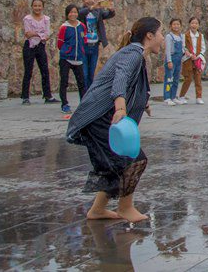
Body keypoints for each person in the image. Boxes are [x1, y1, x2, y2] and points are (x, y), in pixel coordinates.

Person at [65, 17, 162, 222]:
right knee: (132, 160)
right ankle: (125, 207)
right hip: (101, 117)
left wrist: (142, 103)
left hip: (103, 117)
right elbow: (121, 76)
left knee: (116, 163)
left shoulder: (136, 54)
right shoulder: (133, 53)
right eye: (160, 34)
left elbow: (133, 84)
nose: (162, 39)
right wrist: (120, 107)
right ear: (150, 35)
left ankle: (98, 210)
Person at [21, 0, 56, 105]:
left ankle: (47, 95)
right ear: (32, 7)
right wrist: (40, 34)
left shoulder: (46, 19)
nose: (37, 8)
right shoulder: (27, 18)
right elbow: (28, 34)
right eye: (35, 6)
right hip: (30, 46)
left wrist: (37, 34)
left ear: (43, 7)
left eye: (39, 6)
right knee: (28, 71)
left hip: (40, 46)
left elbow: (47, 34)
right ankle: (25, 96)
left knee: (45, 70)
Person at [78, 0, 116, 91]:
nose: (89, 0)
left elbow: (107, 15)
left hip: (94, 44)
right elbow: (81, 14)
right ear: (83, 1)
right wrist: (91, 8)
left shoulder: (98, 10)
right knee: (84, 73)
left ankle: (90, 94)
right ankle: (84, 94)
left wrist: (111, 10)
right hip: (83, 45)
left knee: (91, 73)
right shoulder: (80, 11)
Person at [57, 4, 88, 114]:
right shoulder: (64, 27)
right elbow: (60, 43)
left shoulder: (82, 26)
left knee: (81, 82)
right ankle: (64, 104)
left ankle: (83, 104)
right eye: (70, 12)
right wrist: (67, 50)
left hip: (78, 58)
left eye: (75, 12)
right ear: (67, 14)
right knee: (64, 81)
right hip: (66, 58)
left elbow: (84, 39)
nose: (73, 14)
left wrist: (81, 51)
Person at [178, 17, 205, 104]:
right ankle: (181, 96)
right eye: (192, 23)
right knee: (188, 79)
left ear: (199, 25)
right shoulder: (185, 35)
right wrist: (189, 54)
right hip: (188, 59)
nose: (194, 25)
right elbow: (183, 47)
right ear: (189, 24)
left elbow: (203, 48)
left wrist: (198, 56)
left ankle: (199, 97)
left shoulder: (201, 36)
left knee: (198, 79)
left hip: (197, 60)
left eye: (196, 23)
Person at [163, 19, 184, 106]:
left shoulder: (181, 36)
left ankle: (173, 96)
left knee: (176, 79)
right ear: (170, 26)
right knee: (169, 79)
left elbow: (183, 48)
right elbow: (167, 50)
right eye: (174, 24)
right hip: (171, 59)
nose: (176, 26)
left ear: (180, 26)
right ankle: (167, 97)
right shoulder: (169, 36)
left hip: (179, 60)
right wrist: (169, 61)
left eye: (178, 24)